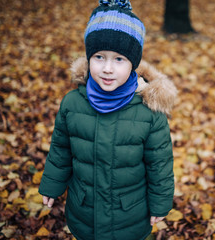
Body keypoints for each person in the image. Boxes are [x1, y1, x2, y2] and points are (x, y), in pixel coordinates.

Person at [38, 0, 177, 239]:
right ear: (89, 58)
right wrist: (52, 184)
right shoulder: (72, 104)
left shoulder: (148, 112)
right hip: (85, 211)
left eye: (119, 59)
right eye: (99, 57)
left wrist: (160, 203)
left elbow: (159, 165)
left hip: (129, 215)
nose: (108, 69)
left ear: (133, 64)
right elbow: (61, 149)